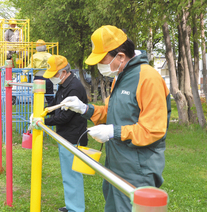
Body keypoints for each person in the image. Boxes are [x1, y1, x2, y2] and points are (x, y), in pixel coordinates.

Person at [61, 25, 171, 212]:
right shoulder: (120, 77)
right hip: (116, 163)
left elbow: (153, 129)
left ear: (120, 56)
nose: (99, 66)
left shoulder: (148, 77)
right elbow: (112, 113)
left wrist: (114, 131)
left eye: (102, 60)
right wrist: (84, 109)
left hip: (138, 168)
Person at [42, 55, 88, 212]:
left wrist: (43, 122)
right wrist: (41, 113)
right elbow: (55, 106)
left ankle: (76, 209)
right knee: (68, 174)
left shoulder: (74, 87)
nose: (53, 78)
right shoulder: (63, 85)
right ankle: (72, 206)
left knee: (73, 174)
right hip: (65, 135)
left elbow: (64, 117)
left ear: (63, 72)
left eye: (54, 74)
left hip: (74, 136)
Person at [25, 39, 54, 105]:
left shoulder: (34, 56)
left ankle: (38, 113)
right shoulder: (50, 55)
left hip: (38, 78)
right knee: (50, 97)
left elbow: (30, 66)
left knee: (38, 97)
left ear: (37, 48)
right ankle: (53, 114)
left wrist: (24, 71)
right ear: (45, 47)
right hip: (49, 78)